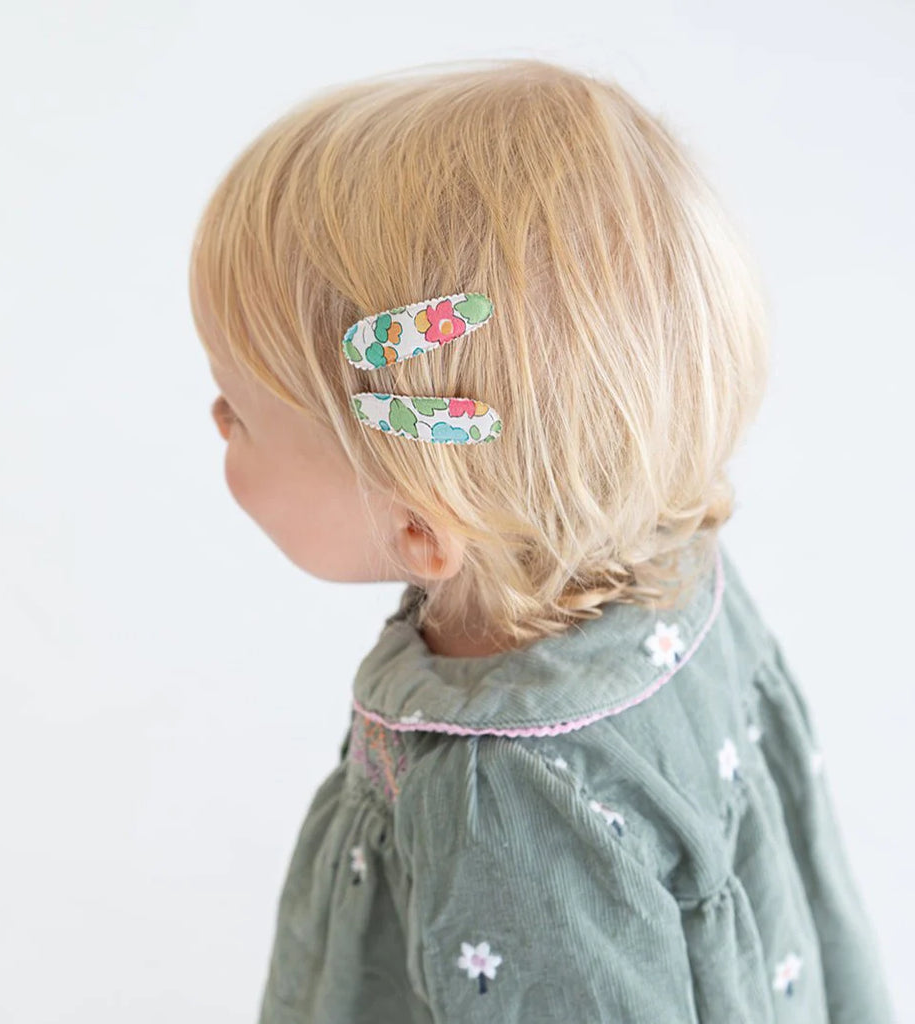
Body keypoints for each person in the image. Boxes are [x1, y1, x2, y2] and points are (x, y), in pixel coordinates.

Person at [188, 58, 895, 1023]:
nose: (216, 415)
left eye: (245, 411)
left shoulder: (506, 799)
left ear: (420, 527)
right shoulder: (672, 571)